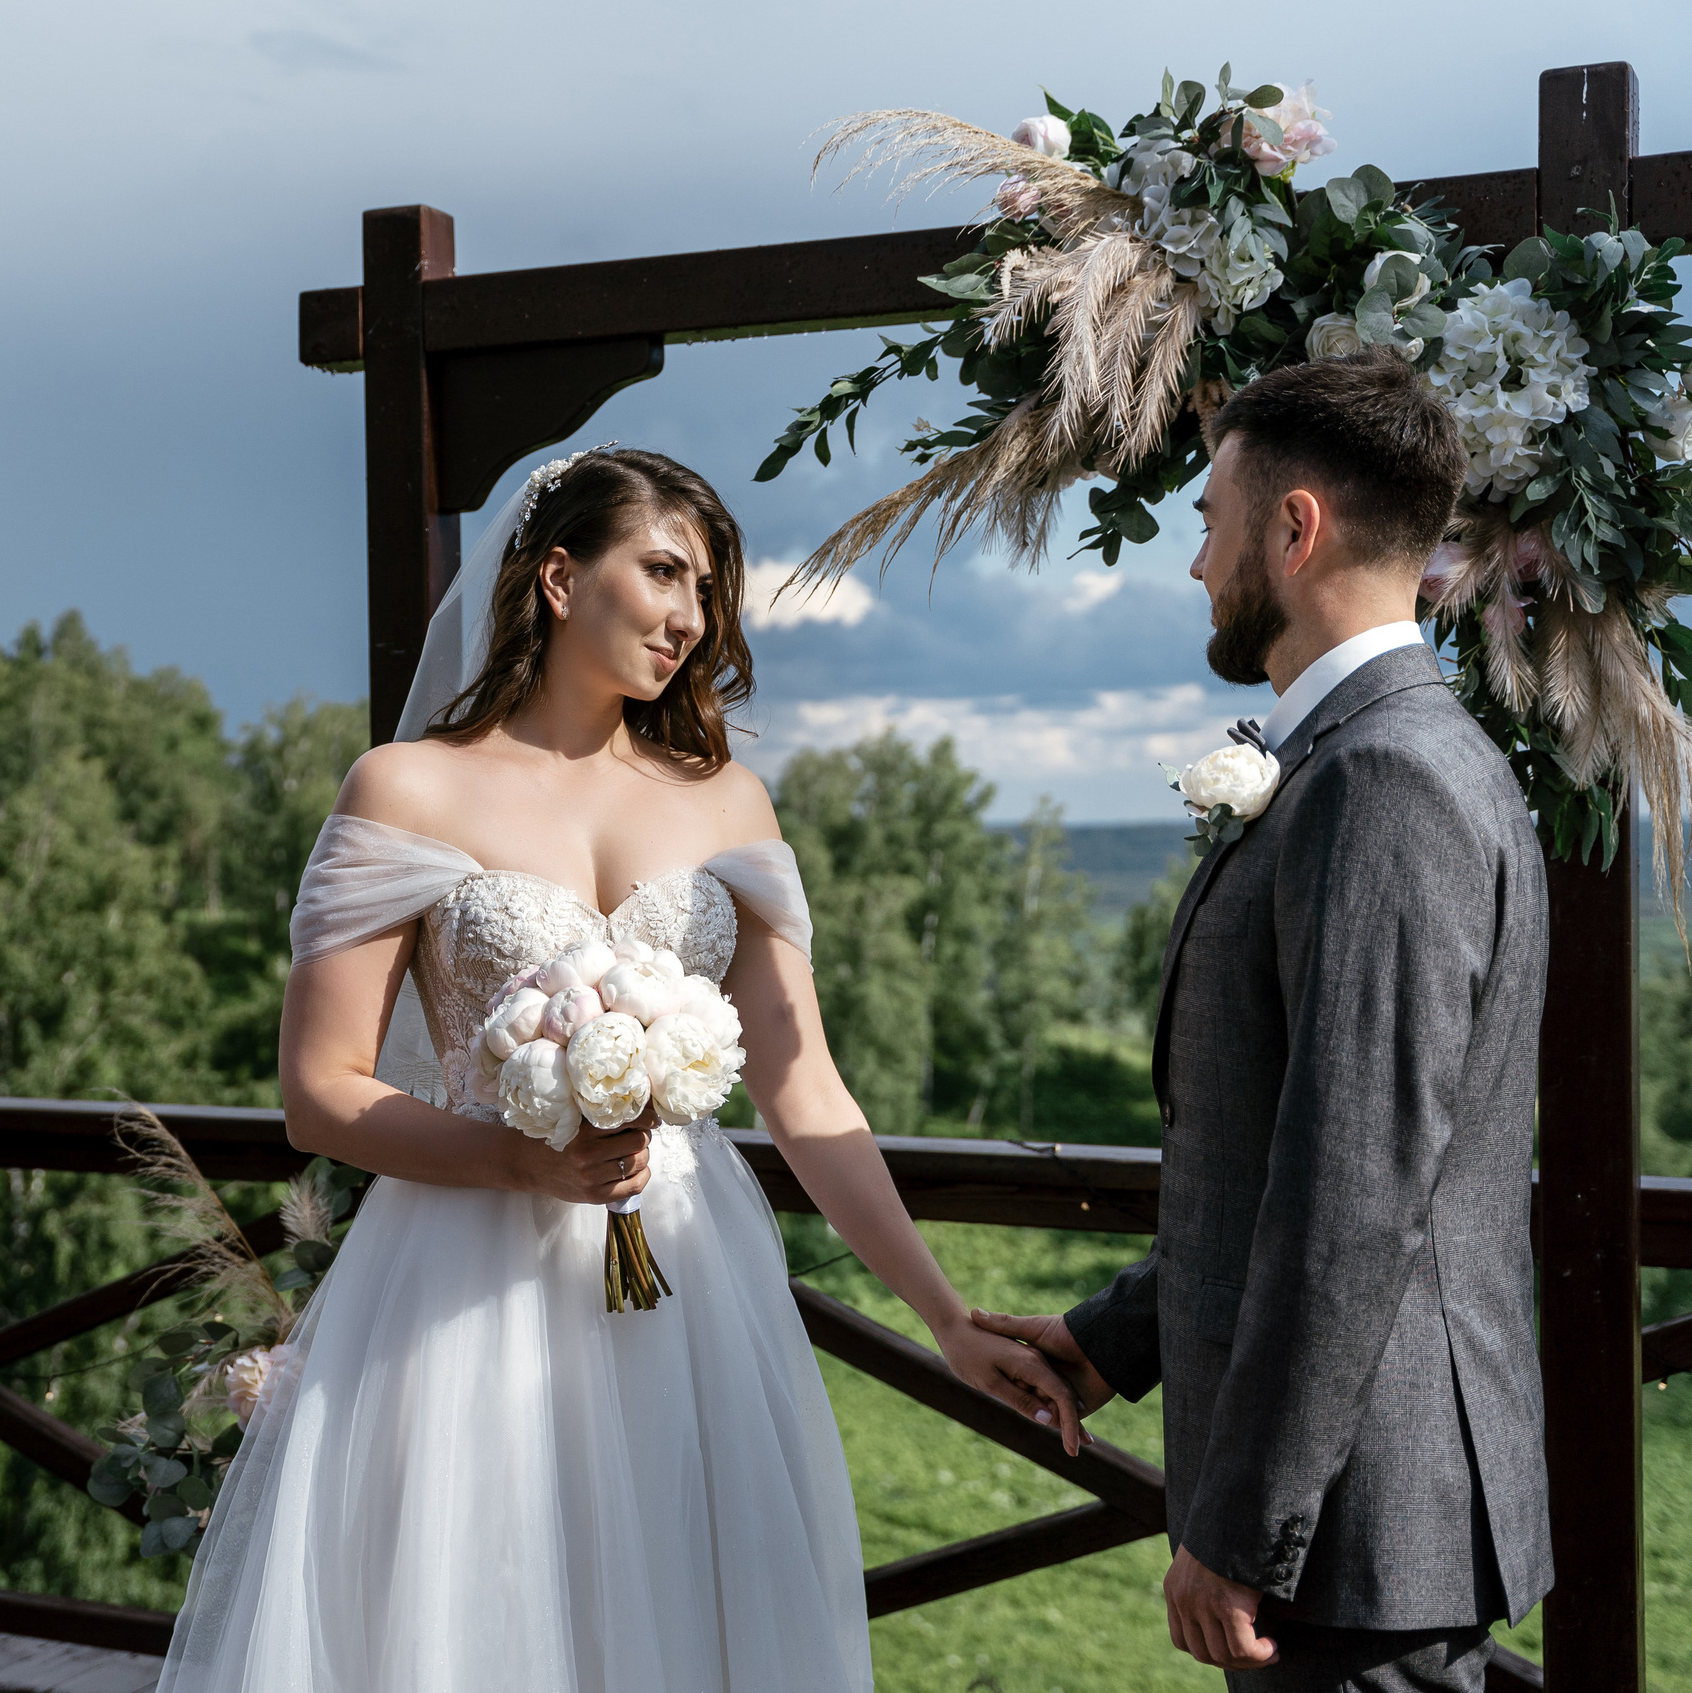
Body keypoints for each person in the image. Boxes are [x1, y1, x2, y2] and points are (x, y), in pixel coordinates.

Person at [155, 446, 1086, 1691]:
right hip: (459, 1289)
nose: (690, 618)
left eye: (705, 590)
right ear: (555, 576)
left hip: (689, 1289)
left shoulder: (726, 803)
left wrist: (942, 1314)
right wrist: (515, 1155)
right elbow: (321, 1091)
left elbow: (806, 1093)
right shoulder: (408, 787)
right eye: (661, 572)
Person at [970, 349, 1553, 1692]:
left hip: (1352, 1527)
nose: (1195, 566)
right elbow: (1287, 1148)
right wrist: (1118, 1335)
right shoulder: (1362, 755)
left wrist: (1249, 1529)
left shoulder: (1385, 777)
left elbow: (1353, 1192)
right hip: (1348, 1515)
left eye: (1209, 524)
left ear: (1293, 530)